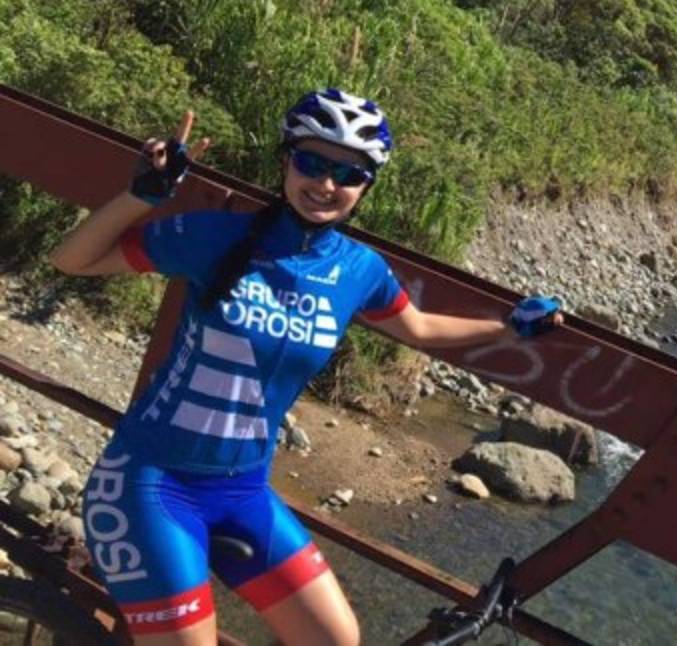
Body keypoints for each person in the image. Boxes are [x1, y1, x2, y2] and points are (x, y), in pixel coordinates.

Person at [49, 89, 562, 645]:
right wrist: (141, 196)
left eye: (349, 173)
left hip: (242, 490)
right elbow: (71, 260)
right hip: (151, 483)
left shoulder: (358, 270)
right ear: (285, 161)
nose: (326, 184)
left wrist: (511, 327)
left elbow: (418, 328)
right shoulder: (216, 237)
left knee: (336, 639)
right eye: (311, 162)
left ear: (366, 187)